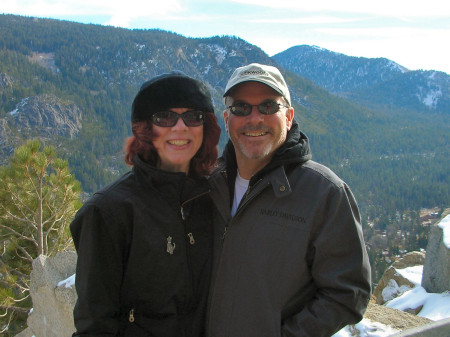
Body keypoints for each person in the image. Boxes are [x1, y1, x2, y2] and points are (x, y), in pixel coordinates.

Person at [206, 63, 371, 337]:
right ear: (226, 119)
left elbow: (347, 293)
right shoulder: (207, 185)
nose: (255, 118)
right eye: (241, 108)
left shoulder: (324, 193)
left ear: (289, 116)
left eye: (269, 106)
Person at [70, 71, 221, 337]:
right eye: (165, 117)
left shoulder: (215, 197)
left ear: (205, 127)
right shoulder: (109, 212)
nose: (180, 127)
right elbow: (95, 323)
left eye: (193, 116)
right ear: (145, 129)